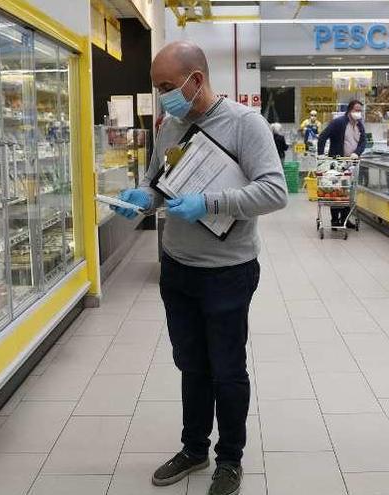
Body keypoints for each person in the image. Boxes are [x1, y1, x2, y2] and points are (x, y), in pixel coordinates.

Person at [112, 41, 287, 495]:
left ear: (197, 79)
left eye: (168, 86)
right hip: (179, 267)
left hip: (228, 270)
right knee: (191, 363)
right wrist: (143, 199)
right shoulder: (171, 126)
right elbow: (157, 184)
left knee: (227, 367)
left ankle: (230, 458)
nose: (163, 96)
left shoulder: (246, 125)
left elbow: (274, 192)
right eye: (157, 88)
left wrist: (211, 202)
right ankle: (194, 448)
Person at [317, 100, 366, 227]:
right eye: (356, 110)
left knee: (348, 192)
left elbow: (363, 142)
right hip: (337, 163)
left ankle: (345, 219)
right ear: (349, 110)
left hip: (352, 163)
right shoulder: (338, 122)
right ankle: (335, 220)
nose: (358, 113)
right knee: (337, 191)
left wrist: (357, 152)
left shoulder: (360, 125)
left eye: (360, 110)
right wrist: (321, 155)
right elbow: (322, 137)